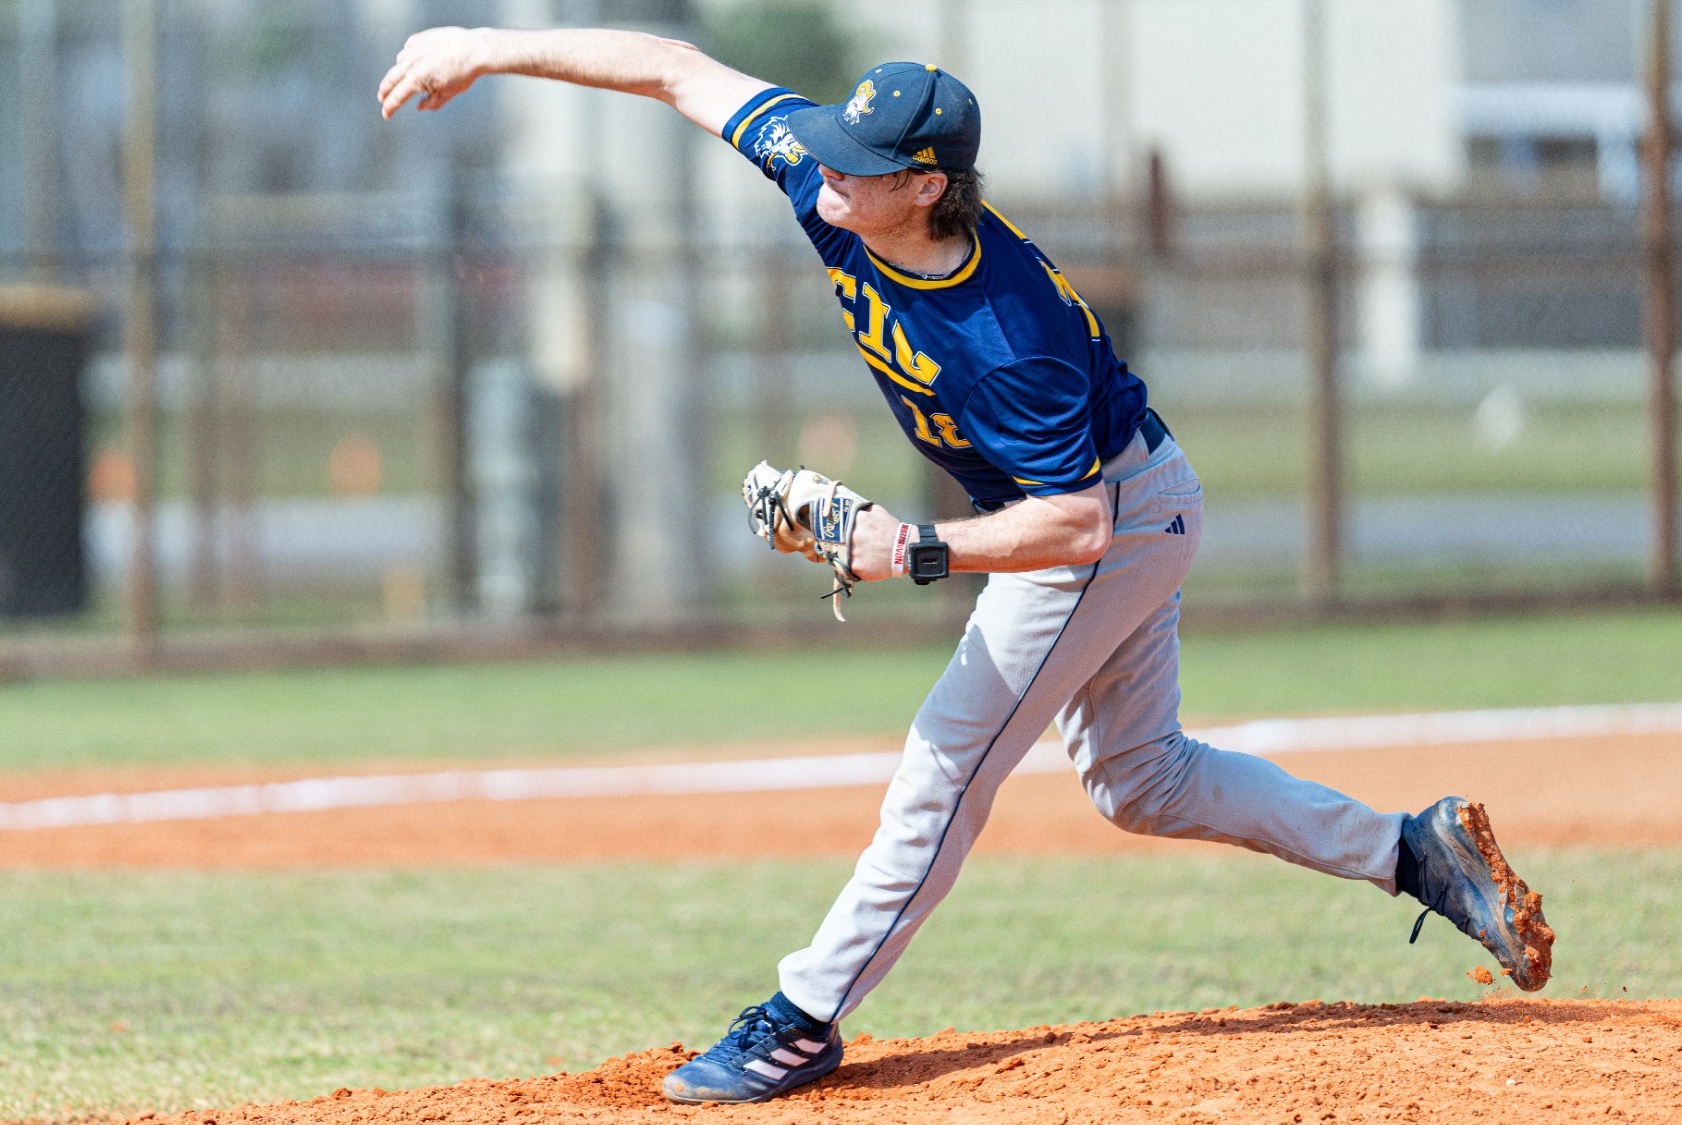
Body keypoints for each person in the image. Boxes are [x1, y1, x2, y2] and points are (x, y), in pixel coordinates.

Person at [378, 27, 1555, 1106]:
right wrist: (483, 45)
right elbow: (679, 69)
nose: (824, 169)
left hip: (1106, 521)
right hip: (1118, 503)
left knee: (945, 760)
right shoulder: (830, 186)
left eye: (859, 163)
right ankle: (1412, 852)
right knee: (1139, 780)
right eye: (831, 150)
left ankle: (801, 1015)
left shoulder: (1004, 338)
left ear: (926, 187)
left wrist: (910, 548)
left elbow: (1075, 528)